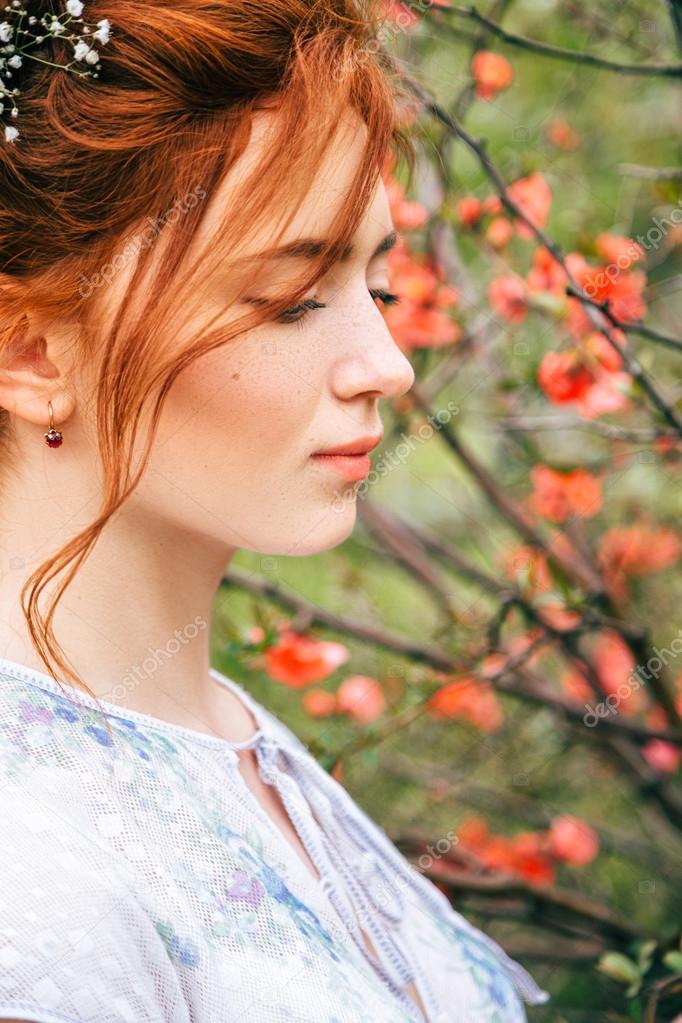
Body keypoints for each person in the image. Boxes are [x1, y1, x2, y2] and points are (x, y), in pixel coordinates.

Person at [0, 1, 550, 1020]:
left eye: (378, 280)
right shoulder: (28, 880)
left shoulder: (225, 733)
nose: (388, 365)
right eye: (293, 300)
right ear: (30, 351)